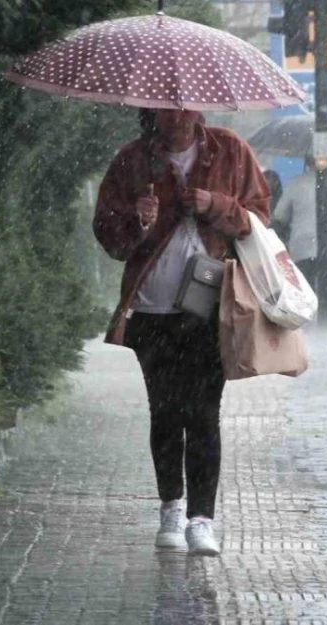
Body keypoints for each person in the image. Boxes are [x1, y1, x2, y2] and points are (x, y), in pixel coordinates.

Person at [93, 108, 270, 556]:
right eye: (165, 108)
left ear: (198, 107)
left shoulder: (229, 151)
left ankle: (202, 519)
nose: (176, 116)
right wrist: (138, 221)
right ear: (151, 112)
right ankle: (171, 508)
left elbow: (260, 222)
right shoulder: (133, 160)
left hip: (210, 307)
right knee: (166, 412)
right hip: (152, 309)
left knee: (204, 413)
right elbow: (110, 238)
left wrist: (218, 207)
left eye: (184, 106)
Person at [272, 156, 327, 288]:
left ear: (306, 162)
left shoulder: (295, 183)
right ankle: (325, 306)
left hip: (303, 244)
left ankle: (313, 306)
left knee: (307, 286)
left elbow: (279, 215)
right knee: (326, 286)